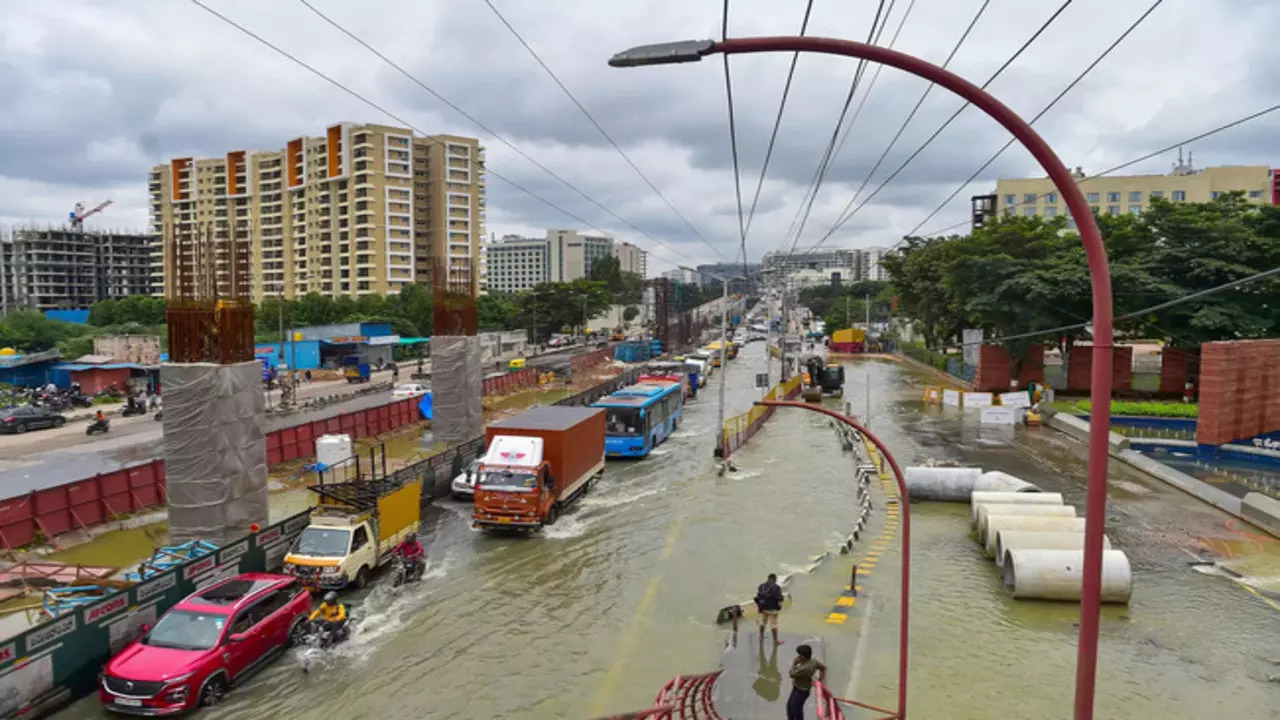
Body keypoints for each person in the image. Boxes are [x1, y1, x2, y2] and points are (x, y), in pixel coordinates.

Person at [787, 644, 826, 720]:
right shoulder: (813, 661)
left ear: (803, 656)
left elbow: (791, 674)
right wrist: (820, 680)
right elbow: (823, 668)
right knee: (790, 706)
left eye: (799, 655)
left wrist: (794, 664)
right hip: (797, 687)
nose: (798, 656)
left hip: (801, 691)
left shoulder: (805, 669)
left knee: (796, 710)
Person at [754, 573, 785, 646]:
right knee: (773, 624)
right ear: (774, 579)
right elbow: (779, 598)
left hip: (763, 608)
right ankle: (775, 641)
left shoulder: (761, 586)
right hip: (772, 609)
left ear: (768, 578)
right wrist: (780, 604)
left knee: (762, 623)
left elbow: (758, 596)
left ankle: (761, 637)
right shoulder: (776, 587)